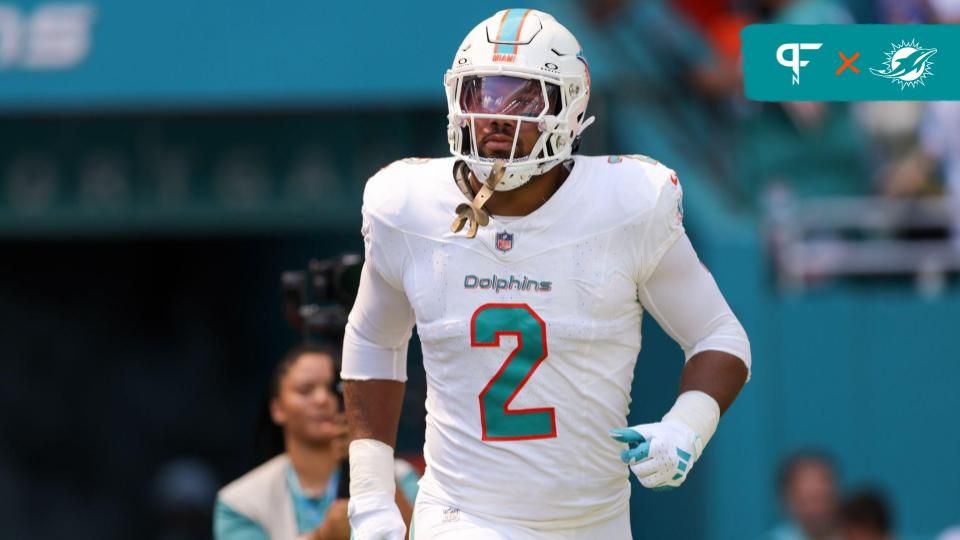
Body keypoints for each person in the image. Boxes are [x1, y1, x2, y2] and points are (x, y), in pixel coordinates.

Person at [340, 9, 751, 540]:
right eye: (479, 93)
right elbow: (373, 340)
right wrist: (371, 498)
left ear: (569, 105)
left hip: (593, 522)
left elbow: (720, 336)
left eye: (520, 97)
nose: (493, 114)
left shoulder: (627, 203)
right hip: (462, 515)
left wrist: (685, 429)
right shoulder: (407, 204)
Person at [213, 344, 417, 540]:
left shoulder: (399, 475)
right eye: (305, 390)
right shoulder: (240, 502)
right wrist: (321, 536)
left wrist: (373, 465)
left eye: (333, 389)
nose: (322, 399)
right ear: (277, 409)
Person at [765, 452, 840, 540]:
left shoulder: (855, 534)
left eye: (823, 498)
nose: (817, 509)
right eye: (807, 501)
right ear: (787, 501)